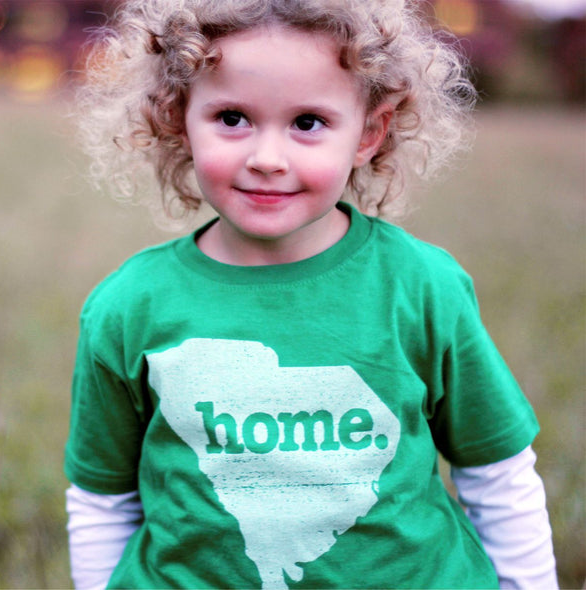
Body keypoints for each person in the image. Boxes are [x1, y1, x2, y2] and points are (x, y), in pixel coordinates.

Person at [64, 0, 558, 588]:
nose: (267, 159)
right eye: (232, 117)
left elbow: (497, 473)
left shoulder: (422, 286)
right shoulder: (128, 306)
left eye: (307, 123)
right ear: (178, 117)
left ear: (369, 133)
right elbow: (102, 501)